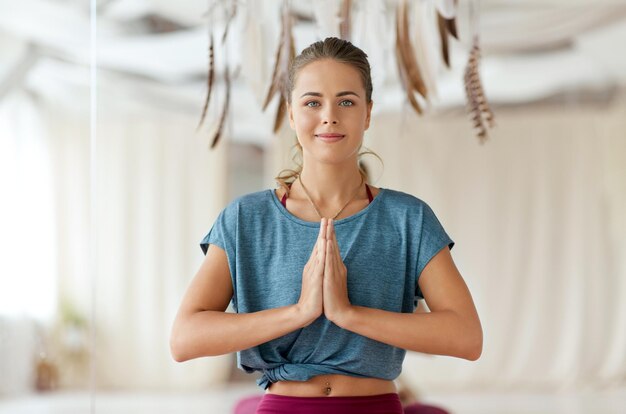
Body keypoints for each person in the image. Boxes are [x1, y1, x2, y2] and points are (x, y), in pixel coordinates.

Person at [170, 37, 482, 414]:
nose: (329, 115)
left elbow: (466, 336)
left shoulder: (408, 217)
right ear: (290, 113)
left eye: (346, 101)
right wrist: (299, 312)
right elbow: (184, 339)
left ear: (367, 113)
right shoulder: (245, 219)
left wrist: (349, 314)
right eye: (313, 102)